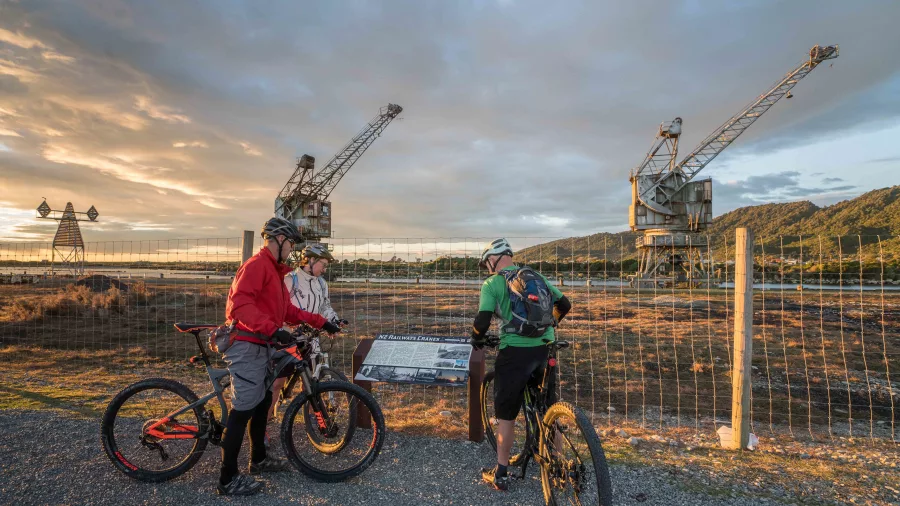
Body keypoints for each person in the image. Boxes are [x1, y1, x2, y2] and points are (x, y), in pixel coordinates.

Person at [218, 217, 341, 496]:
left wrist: (323, 322)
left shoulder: (275, 272)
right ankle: (227, 478)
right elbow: (239, 307)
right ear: (279, 240)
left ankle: (259, 459)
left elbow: (289, 311)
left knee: (262, 403)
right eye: (291, 243)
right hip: (248, 344)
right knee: (244, 409)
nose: (293, 249)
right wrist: (273, 329)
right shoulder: (256, 266)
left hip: (263, 343)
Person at [470, 238, 571, 491]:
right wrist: (551, 324)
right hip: (545, 348)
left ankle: (501, 472)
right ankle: (558, 466)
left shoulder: (492, 283)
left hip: (514, 353)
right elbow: (565, 304)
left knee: (506, 415)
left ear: (493, 260)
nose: (487, 268)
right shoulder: (536, 276)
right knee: (549, 408)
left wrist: (477, 339)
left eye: (486, 264)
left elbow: (482, 321)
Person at [266, 243, 348, 424]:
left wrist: (333, 321)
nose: (325, 269)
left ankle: (313, 420)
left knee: (312, 381)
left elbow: (325, 306)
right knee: (278, 383)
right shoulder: (290, 279)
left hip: (311, 338)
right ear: (310, 261)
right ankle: (266, 420)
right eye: (323, 265)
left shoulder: (321, 283)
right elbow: (279, 308)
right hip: (288, 338)